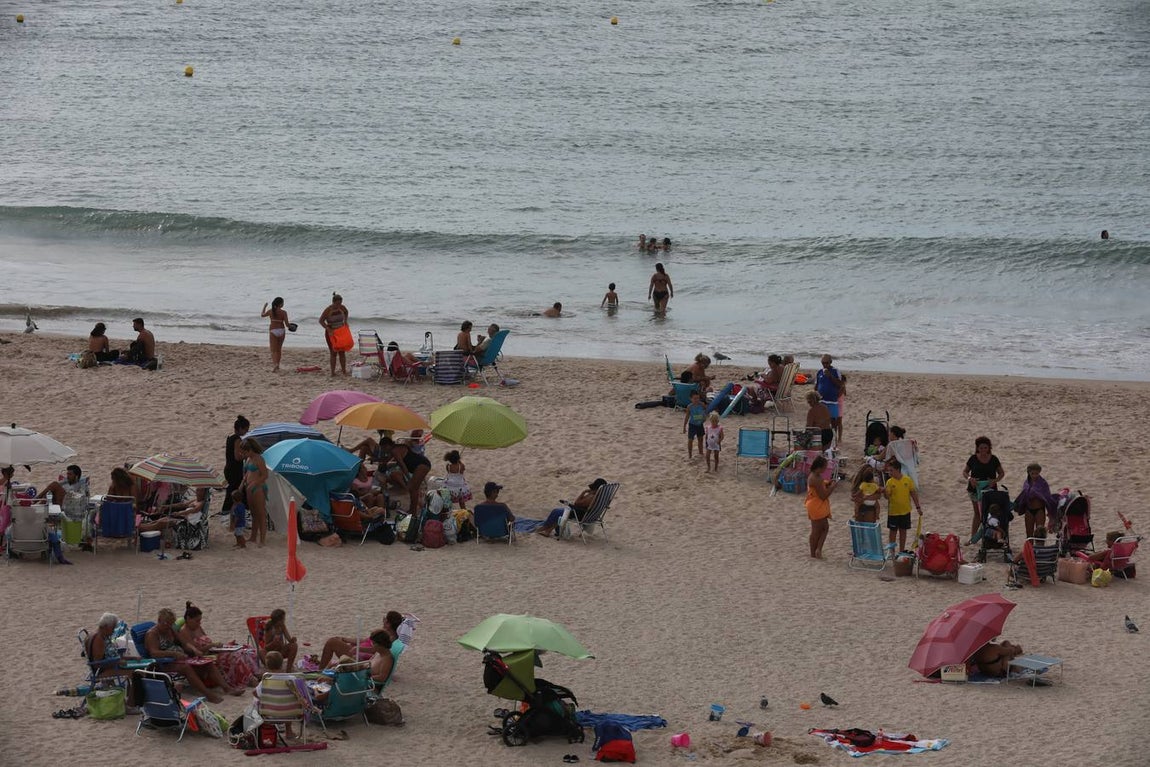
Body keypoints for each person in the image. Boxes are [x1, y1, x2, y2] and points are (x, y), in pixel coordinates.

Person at [144, 608, 228, 703]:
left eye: (171, 623)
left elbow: (184, 642)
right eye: (166, 623)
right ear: (159, 620)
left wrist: (194, 650)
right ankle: (208, 694)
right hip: (164, 663)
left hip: (179, 658)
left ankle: (226, 688)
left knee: (207, 663)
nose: (168, 626)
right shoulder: (152, 634)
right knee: (186, 667)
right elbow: (154, 653)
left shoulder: (170, 629)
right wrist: (174, 654)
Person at [178, 601, 257, 690]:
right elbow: (197, 651)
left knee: (244, 651)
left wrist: (216, 646)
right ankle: (249, 680)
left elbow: (206, 640)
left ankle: (254, 675)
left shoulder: (197, 627)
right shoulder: (184, 632)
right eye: (197, 621)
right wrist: (211, 645)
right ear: (188, 619)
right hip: (204, 656)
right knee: (234, 656)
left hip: (213, 651)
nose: (199, 623)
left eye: (200, 621)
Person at [535, 478, 607, 537]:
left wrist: (584, 492)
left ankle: (546, 530)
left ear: (596, 488)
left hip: (580, 514)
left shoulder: (592, 497)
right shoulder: (602, 497)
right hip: (589, 515)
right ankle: (547, 529)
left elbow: (577, 503)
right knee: (558, 511)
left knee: (557, 512)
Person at [963, 436, 1004, 538]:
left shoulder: (994, 459)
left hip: (990, 490)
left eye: (985, 448)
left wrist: (994, 481)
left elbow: (1001, 473)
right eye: (981, 448)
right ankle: (973, 536)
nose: (983, 450)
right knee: (977, 513)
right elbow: (965, 472)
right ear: (977, 448)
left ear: (989, 448)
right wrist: (970, 479)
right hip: (974, 489)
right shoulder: (973, 458)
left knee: (990, 512)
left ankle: (990, 535)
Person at [380, 436, 431, 514]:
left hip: (421, 465)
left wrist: (408, 477)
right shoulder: (397, 447)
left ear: (387, 446)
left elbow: (402, 465)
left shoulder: (394, 451)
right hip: (421, 463)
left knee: (413, 489)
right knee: (412, 488)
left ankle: (413, 511)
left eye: (383, 448)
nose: (383, 451)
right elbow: (390, 460)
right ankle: (414, 508)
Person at [883, 459, 922, 554]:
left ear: (897, 470)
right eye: (889, 470)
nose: (890, 473)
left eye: (891, 470)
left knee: (903, 532)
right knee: (893, 532)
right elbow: (887, 497)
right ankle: (892, 552)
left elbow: (913, 494)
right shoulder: (889, 482)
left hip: (905, 511)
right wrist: (884, 492)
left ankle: (901, 551)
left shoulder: (907, 480)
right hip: (893, 511)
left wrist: (918, 507)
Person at [1014, 463, 1057, 540]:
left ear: (1039, 472)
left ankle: (1040, 550)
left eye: (1036, 473)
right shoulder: (1026, 483)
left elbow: (1047, 497)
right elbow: (1023, 496)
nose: (1034, 475)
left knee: (1040, 534)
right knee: (1029, 535)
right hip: (1029, 510)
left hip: (1039, 510)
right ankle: (1029, 551)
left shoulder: (1043, 483)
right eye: (1032, 473)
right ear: (1028, 472)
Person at [805, 455, 836, 559]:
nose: (825, 469)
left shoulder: (814, 475)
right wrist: (832, 488)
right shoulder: (815, 478)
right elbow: (823, 496)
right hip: (817, 505)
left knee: (819, 529)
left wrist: (827, 484)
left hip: (814, 504)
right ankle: (817, 550)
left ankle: (814, 551)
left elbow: (819, 488)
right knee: (822, 529)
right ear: (820, 467)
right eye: (824, 467)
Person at [240, 437, 269, 546]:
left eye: (244, 452)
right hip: (249, 488)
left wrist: (255, 483)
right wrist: (242, 485)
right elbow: (247, 473)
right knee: (253, 514)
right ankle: (253, 537)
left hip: (258, 488)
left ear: (250, 450)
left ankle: (262, 540)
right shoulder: (248, 459)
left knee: (261, 514)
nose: (242, 453)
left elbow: (265, 475)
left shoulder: (259, 459)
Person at [815, 355, 845, 445]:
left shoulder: (835, 371)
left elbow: (840, 384)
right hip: (821, 401)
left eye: (826, 363)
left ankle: (834, 440)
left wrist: (830, 376)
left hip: (832, 401)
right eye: (823, 363)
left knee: (834, 422)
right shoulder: (819, 372)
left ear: (830, 362)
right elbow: (816, 386)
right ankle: (822, 439)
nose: (824, 365)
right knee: (821, 421)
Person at [222, 415, 250, 513]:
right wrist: (247, 455)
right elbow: (237, 457)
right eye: (246, 429)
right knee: (236, 490)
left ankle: (229, 509)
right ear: (240, 428)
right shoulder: (237, 440)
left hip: (228, 468)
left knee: (233, 489)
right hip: (234, 470)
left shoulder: (230, 437)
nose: (246, 432)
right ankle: (227, 509)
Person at [319, 292, 350, 376]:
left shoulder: (342, 308)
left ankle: (344, 371)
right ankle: (332, 372)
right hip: (331, 332)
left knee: (342, 352)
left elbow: (346, 312)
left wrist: (346, 321)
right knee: (333, 352)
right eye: (338, 303)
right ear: (333, 302)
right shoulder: (328, 309)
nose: (339, 305)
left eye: (340, 303)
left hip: (341, 332)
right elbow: (321, 321)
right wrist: (328, 328)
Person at [261, 297, 289, 372]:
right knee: (279, 349)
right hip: (281, 330)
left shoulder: (271, 311)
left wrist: (264, 306)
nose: (283, 304)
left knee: (273, 350)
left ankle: (275, 365)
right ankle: (278, 365)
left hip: (273, 330)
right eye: (283, 303)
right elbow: (287, 324)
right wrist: (292, 327)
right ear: (280, 304)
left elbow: (262, 315)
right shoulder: (284, 312)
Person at [683, 390, 706, 461]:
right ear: (691, 399)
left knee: (700, 439)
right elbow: (687, 417)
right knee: (690, 440)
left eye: (698, 398)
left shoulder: (701, 404)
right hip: (692, 425)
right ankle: (690, 455)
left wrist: (704, 418)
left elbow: (706, 411)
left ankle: (701, 453)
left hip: (700, 424)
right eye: (694, 398)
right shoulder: (689, 406)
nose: (696, 400)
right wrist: (684, 426)